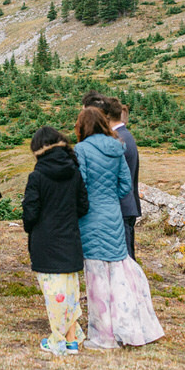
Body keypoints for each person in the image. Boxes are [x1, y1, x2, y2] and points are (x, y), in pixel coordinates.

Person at [73, 107, 163, 349]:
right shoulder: (116, 147)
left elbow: (79, 185)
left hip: (91, 218)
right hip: (113, 214)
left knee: (96, 277)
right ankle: (126, 326)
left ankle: (103, 336)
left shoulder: (81, 150)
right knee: (117, 274)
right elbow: (126, 185)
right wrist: (109, 197)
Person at [22, 126, 88, 356]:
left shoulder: (37, 176)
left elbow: (30, 212)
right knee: (69, 293)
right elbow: (83, 206)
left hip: (45, 241)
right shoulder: (74, 172)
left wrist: (32, 228)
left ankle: (59, 340)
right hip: (69, 239)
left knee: (54, 295)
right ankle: (71, 339)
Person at [104, 97, 141, 260]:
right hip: (127, 206)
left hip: (121, 208)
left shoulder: (118, 139)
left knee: (125, 261)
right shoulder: (125, 135)